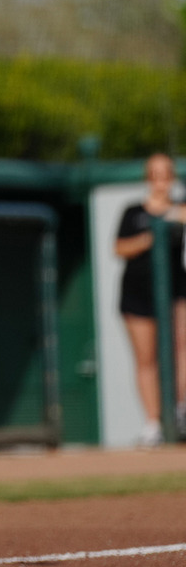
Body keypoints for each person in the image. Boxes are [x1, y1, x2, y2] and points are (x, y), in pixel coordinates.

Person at [114, 152, 186, 447]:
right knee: (146, 359)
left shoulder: (180, 210)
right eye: (154, 175)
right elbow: (119, 248)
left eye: (165, 174)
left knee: (181, 348)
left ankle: (180, 411)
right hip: (138, 295)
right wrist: (150, 237)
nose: (160, 181)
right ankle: (153, 423)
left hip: (176, 292)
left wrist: (175, 216)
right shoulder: (133, 212)